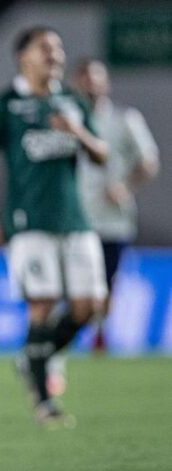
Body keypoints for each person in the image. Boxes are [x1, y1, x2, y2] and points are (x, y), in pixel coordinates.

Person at [0, 27, 108, 426]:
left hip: (75, 220)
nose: (55, 54)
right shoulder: (5, 104)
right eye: (45, 48)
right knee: (43, 306)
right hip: (29, 222)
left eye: (59, 48)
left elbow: (102, 154)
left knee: (89, 307)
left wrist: (77, 131)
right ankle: (45, 402)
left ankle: (32, 357)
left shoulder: (73, 102)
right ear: (23, 56)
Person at [74, 58, 160, 352]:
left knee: (106, 285)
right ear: (77, 83)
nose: (92, 85)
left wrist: (125, 186)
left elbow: (149, 161)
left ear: (106, 83)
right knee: (78, 287)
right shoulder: (68, 121)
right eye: (86, 79)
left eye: (97, 79)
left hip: (113, 220)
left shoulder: (125, 119)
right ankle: (76, 333)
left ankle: (99, 335)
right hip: (75, 218)